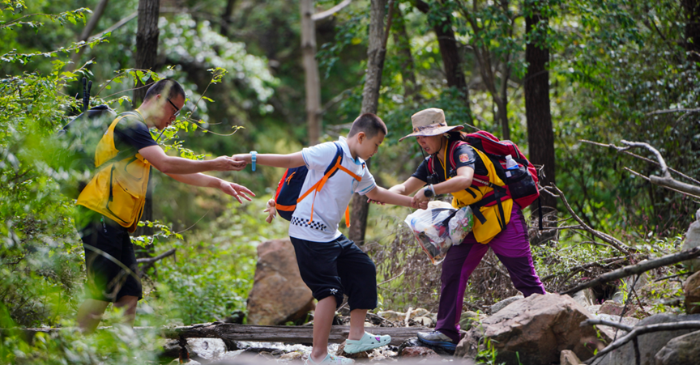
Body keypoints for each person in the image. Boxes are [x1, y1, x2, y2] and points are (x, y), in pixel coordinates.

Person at [234, 113, 427, 365]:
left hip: (329, 235)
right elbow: (291, 159)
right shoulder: (330, 151)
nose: (376, 150)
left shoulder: (358, 165)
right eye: (376, 144)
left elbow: (376, 192)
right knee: (329, 294)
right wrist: (253, 157)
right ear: (361, 136)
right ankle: (319, 356)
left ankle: (357, 336)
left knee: (363, 268)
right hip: (308, 234)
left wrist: (412, 202)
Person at [75, 79, 254, 333]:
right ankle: (76, 350)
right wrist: (214, 163)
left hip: (114, 220)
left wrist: (219, 184)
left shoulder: (139, 131)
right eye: (175, 110)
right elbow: (167, 164)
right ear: (159, 99)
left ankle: (121, 354)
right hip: (99, 215)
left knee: (129, 293)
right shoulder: (130, 124)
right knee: (101, 291)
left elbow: (173, 170)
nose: (174, 118)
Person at [388, 108, 546, 350]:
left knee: (524, 276)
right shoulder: (432, 162)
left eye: (426, 135)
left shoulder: (462, 150)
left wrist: (430, 190)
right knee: (452, 271)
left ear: (442, 133)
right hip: (471, 220)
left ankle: (552, 319)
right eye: (418, 137)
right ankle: (447, 332)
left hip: (502, 215)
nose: (421, 141)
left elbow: (465, 179)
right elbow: (405, 187)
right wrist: (379, 194)